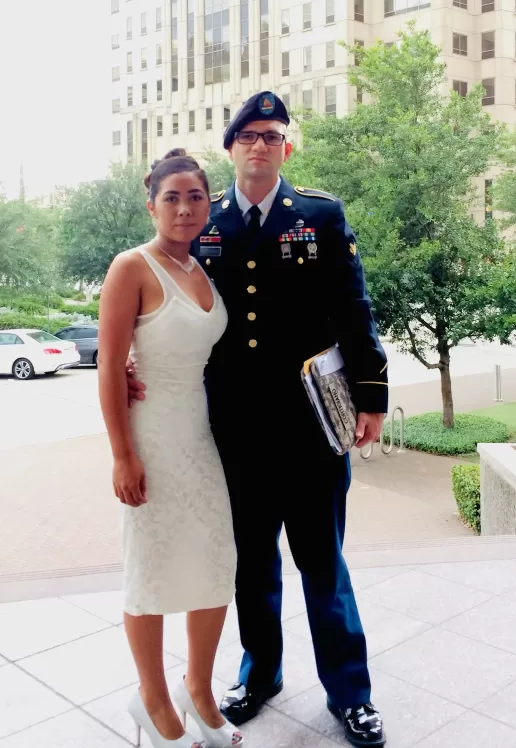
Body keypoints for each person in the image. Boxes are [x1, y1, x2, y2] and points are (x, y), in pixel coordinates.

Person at [131, 91, 389, 747]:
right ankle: (260, 674)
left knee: (322, 566)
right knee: (250, 567)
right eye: (247, 136)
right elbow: (166, 299)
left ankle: (351, 694)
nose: (259, 145)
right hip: (234, 433)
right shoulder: (205, 222)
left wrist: (373, 395)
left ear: (286, 149)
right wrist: (135, 354)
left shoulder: (321, 216)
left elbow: (354, 309)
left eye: (271, 136)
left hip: (311, 427)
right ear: (230, 150)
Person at [98, 149, 243, 748]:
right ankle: (153, 701)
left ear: (209, 204)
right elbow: (109, 365)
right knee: (151, 570)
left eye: (196, 197)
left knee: (214, 564)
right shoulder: (132, 267)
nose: (185, 208)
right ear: (151, 203)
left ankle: (200, 690)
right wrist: (123, 454)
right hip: (151, 437)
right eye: (172, 197)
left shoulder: (203, 268)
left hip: (199, 436)